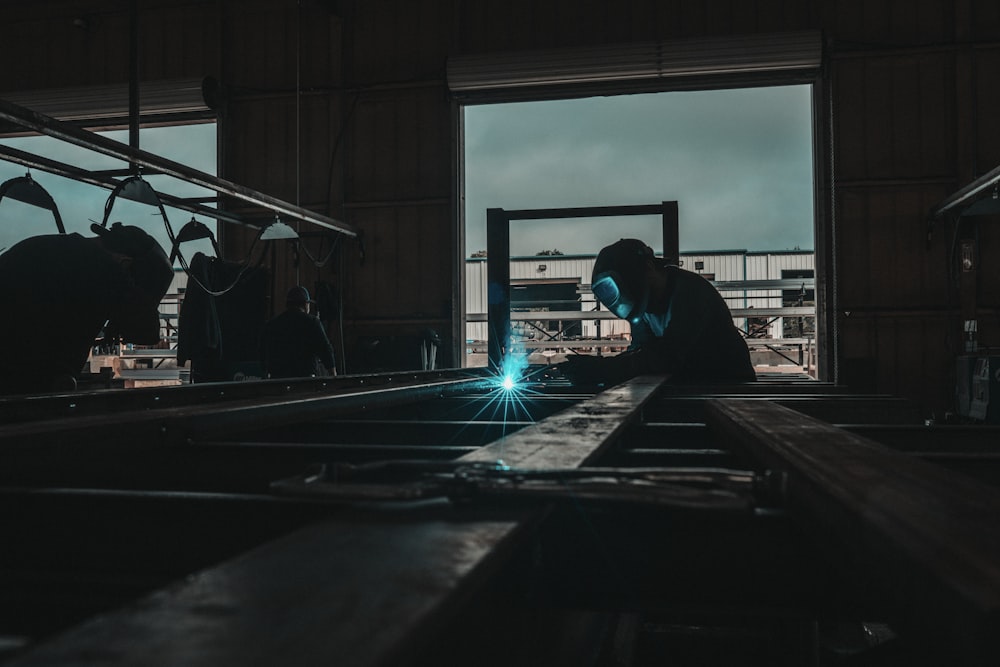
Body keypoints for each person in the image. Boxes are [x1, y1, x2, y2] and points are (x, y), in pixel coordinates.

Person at [0, 222, 174, 394]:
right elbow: (146, 331)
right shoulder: (103, 267)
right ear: (125, 263)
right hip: (22, 380)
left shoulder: (46, 246)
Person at [559, 238, 755, 386]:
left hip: (729, 386)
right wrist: (597, 368)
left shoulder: (689, 292)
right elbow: (642, 352)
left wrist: (602, 369)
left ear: (649, 267)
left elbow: (667, 357)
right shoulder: (644, 307)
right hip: (692, 385)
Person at [260, 285, 337, 379]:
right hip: (305, 380)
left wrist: (265, 371)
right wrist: (333, 374)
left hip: (278, 380)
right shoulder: (312, 322)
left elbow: (262, 351)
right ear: (305, 304)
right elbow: (325, 349)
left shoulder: (272, 324)